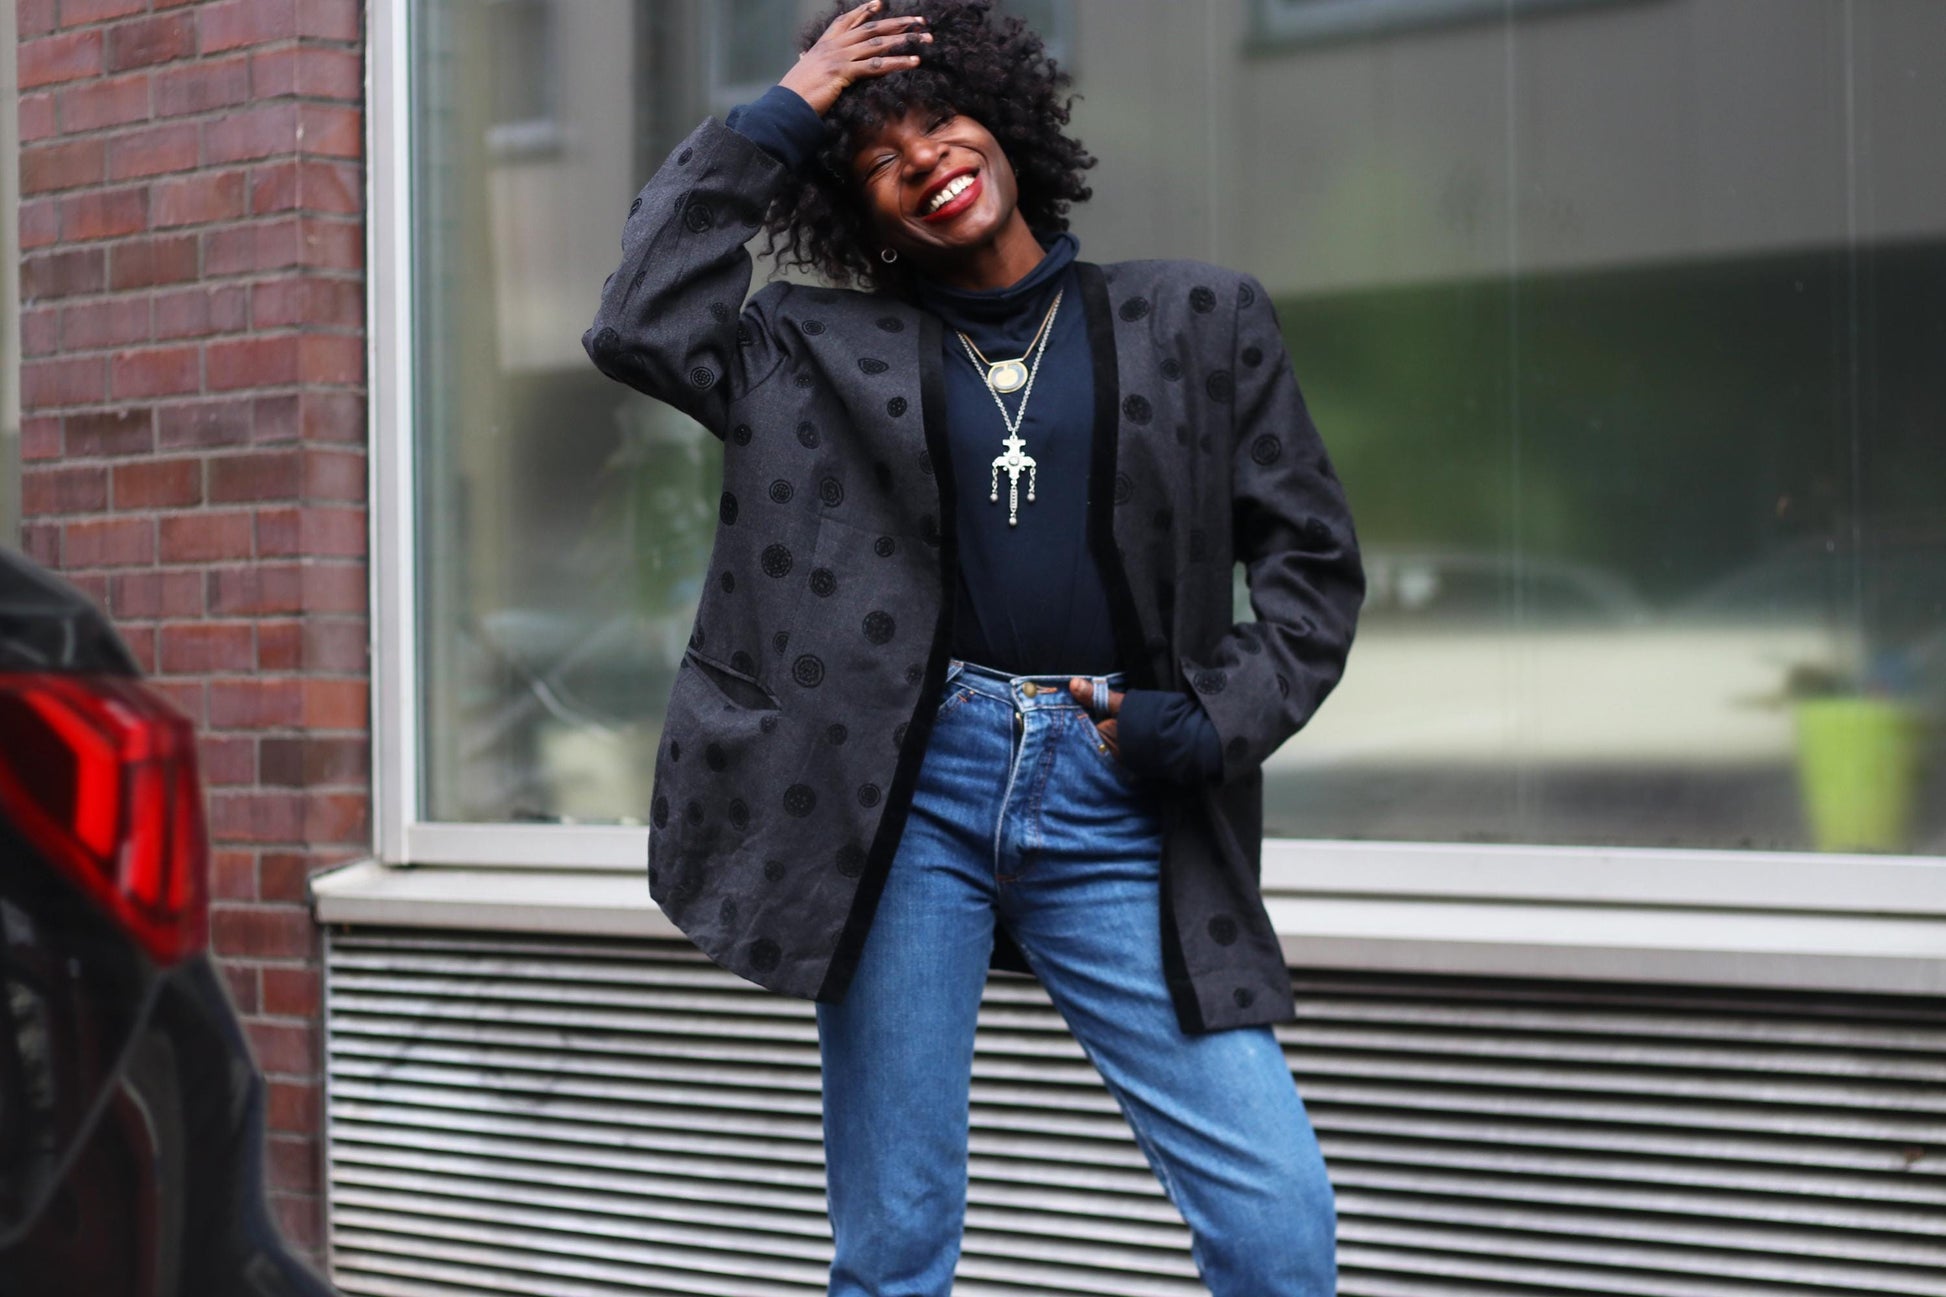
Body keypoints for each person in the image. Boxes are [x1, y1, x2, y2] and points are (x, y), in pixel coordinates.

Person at [582, 2, 1363, 1292]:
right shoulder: (813, 348)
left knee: (1276, 1222)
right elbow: (638, 318)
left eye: (938, 120)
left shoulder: (1200, 319)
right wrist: (793, 105)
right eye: (878, 158)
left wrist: (1208, 721)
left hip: (1120, 789)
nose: (922, 161)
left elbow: (1310, 569)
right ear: (860, 209)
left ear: (1000, 120)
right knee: (894, 1244)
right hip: (901, 799)